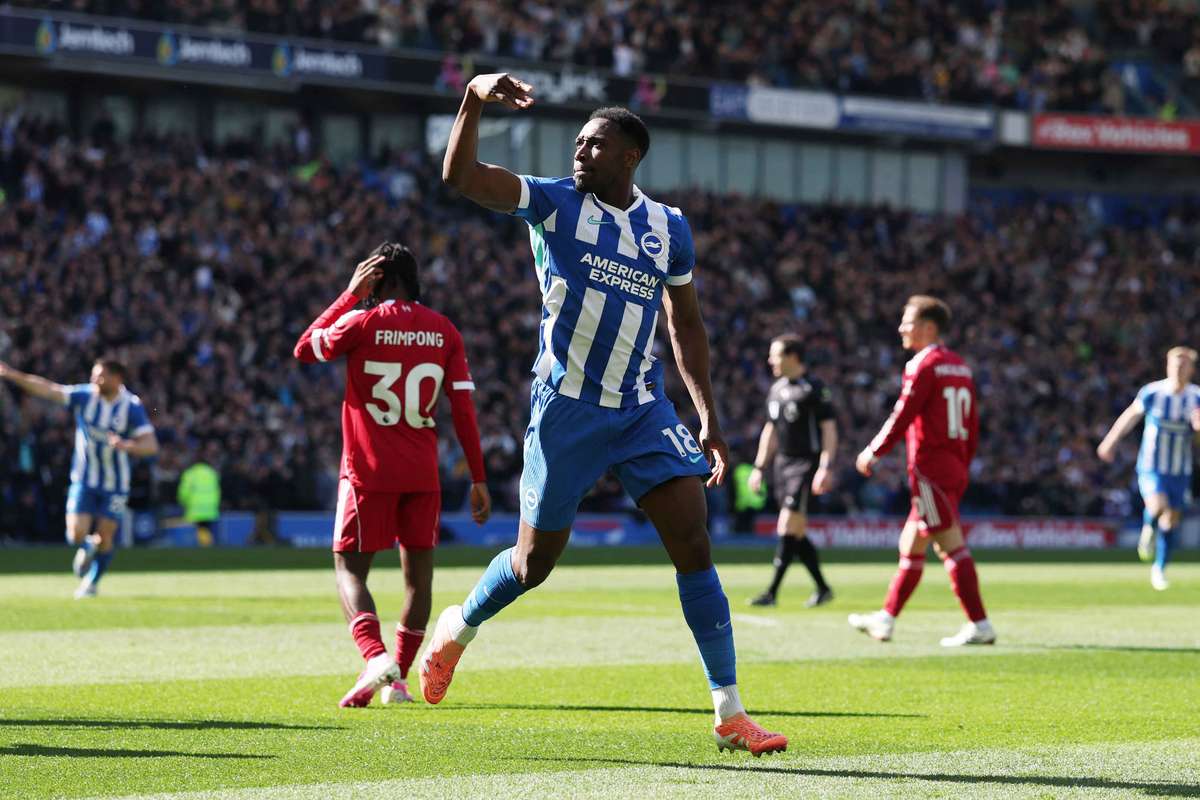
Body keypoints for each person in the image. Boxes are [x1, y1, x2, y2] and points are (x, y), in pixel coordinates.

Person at [425, 72, 787, 757]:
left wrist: (707, 414)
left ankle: (729, 711)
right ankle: (459, 627)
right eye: (578, 142)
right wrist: (472, 98)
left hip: (641, 407)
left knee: (694, 542)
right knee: (535, 565)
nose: (579, 153)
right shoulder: (555, 204)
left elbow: (686, 325)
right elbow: (463, 178)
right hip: (566, 409)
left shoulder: (668, 228)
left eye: (595, 145)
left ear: (630, 156)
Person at [293, 243, 491, 708]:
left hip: (368, 470)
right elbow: (462, 410)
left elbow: (305, 348)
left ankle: (375, 656)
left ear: (375, 279)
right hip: (423, 474)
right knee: (418, 581)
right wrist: (478, 478)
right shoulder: (444, 331)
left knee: (349, 568)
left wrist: (347, 295)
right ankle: (397, 680)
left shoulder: (362, 321)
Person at [847, 296, 994, 646]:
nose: (901, 328)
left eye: (907, 321)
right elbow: (973, 424)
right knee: (911, 543)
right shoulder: (960, 365)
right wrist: (962, 463)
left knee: (949, 545)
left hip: (931, 469)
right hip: (954, 465)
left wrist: (873, 450)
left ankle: (980, 624)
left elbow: (904, 412)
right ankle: (886, 619)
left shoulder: (922, 365)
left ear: (928, 328)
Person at [0, 357, 158, 597]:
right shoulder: (85, 396)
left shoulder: (131, 406)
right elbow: (48, 389)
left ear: (117, 379)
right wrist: (12, 374)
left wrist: (127, 446)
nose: (95, 379)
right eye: (94, 374)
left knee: (106, 537)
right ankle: (87, 547)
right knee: (74, 533)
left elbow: (151, 446)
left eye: (101, 376)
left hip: (116, 483)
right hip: (84, 478)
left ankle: (92, 583)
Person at [1097, 346, 1200, 591]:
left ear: (1191, 369)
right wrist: (1110, 441)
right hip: (1152, 465)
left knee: (1172, 518)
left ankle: (1159, 569)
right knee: (1157, 506)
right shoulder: (1153, 392)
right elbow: (1130, 416)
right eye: (1174, 363)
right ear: (1167, 365)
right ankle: (1148, 529)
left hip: (1180, 469)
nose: (1178, 368)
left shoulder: (1196, 397)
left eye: (1183, 364)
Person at [748, 334, 836, 608]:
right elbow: (771, 431)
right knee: (795, 532)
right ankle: (822, 588)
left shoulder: (814, 388)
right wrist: (759, 467)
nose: (770, 360)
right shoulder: (776, 390)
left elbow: (829, 430)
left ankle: (772, 592)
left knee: (787, 524)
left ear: (792, 357)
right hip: (782, 465)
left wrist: (825, 466)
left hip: (805, 464)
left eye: (775, 355)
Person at [177, 448, 221, 547]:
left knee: (199, 530)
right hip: (210, 508)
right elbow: (217, 491)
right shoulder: (212, 473)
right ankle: (207, 546)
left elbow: (184, 492)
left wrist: (182, 502)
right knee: (205, 528)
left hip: (195, 508)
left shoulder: (190, 474)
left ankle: (204, 547)